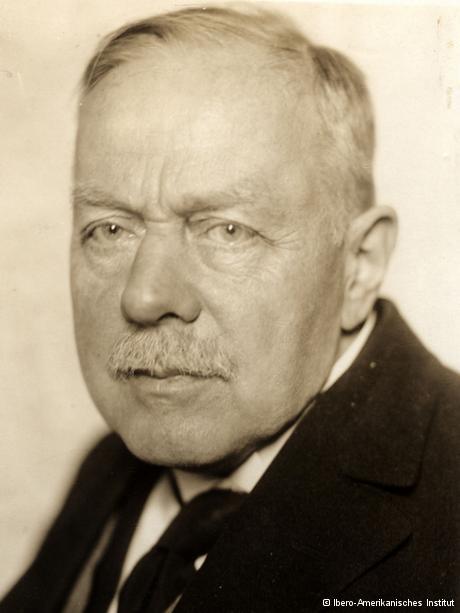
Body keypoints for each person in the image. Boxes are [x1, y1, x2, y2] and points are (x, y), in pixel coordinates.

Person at [2, 5, 459, 612]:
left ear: (359, 265)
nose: (144, 296)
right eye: (110, 229)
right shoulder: (111, 466)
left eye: (226, 230)